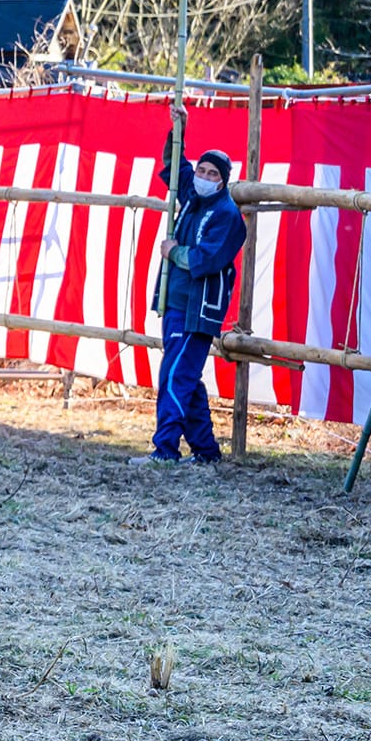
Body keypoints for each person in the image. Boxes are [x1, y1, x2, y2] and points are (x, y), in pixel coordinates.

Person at [131, 102, 246, 467]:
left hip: (199, 310)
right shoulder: (194, 200)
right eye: (202, 169)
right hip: (175, 304)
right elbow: (174, 166)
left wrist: (175, 251)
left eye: (213, 173)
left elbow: (206, 259)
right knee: (187, 378)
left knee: (175, 375)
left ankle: (165, 449)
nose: (204, 176)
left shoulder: (228, 216)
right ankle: (205, 451)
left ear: (223, 180)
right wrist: (178, 129)